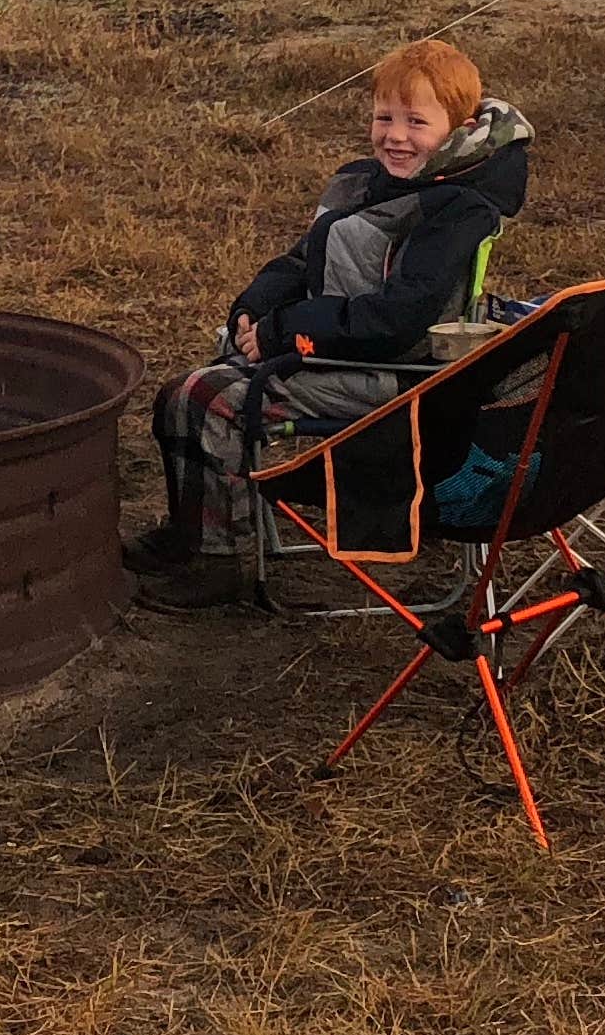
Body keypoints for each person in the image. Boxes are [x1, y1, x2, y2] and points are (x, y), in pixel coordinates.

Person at [127, 36, 531, 609]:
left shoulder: (458, 207)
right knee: (178, 395)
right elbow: (301, 260)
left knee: (208, 400)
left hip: (395, 372)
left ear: (459, 128)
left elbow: (398, 319)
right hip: (334, 348)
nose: (395, 135)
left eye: (417, 122)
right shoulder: (364, 181)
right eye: (383, 117)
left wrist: (285, 331)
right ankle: (192, 533)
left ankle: (221, 565)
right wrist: (254, 309)